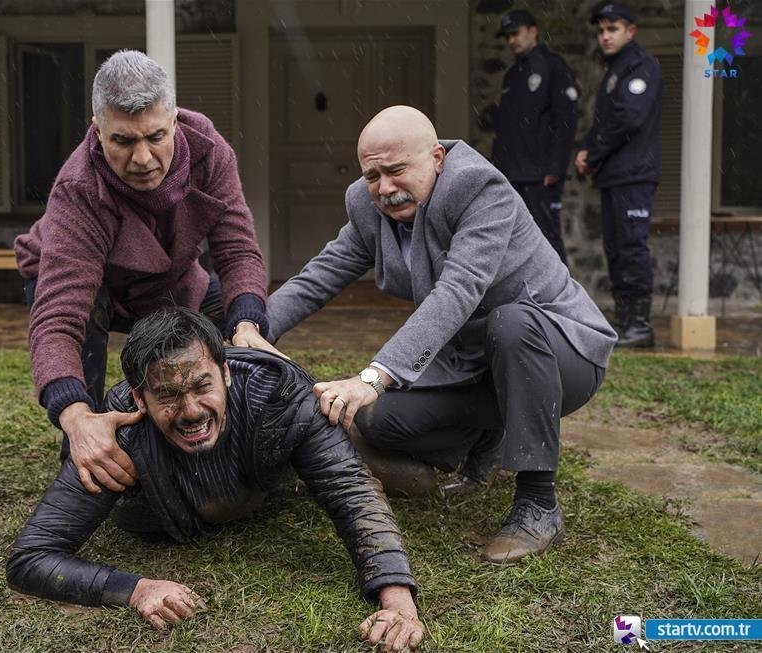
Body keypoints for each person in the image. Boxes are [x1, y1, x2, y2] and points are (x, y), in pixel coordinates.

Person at [266, 105, 617, 564]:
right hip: (476, 364)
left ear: (436, 158)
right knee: (378, 419)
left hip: (561, 353)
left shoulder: (479, 188)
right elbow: (321, 274)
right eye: (372, 175)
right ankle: (486, 441)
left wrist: (373, 377)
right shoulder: (369, 205)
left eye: (396, 170)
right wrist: (249, 326)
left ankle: (538, 502)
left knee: (511, 322)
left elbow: (458, 291)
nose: (384, 188)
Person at [6, 307, 425, 651]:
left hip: (264, 477)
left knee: (374, 471)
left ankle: (342, 449)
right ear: (138, 398)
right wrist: (135, 589)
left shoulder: (283, 396)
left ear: (225, 373)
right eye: (167, 395)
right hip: (158, 515)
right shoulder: (118, 433)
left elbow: (352, 494)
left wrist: (398, 602)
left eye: (201, 385)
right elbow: (31, 557)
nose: (191, 411)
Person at [14, 50, 278, 495]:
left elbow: (237, 251)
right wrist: (74, 415)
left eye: (155, 136)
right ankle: (84, 457)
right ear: (98, 130)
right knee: (84, 324)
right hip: (83, 283)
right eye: (123, 141)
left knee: (239, 321)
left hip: (170, 284)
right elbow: (58, 319)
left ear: (174, 120)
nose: (142, 158)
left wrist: (247, 325)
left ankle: (236, 440)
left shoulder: (210, 152)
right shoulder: (78, 189)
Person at [575, 3, 662, 348]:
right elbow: (606, 122)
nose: (605, 36)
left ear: (631, 31)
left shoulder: (641, 65)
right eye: (601, 31)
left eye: (612, 29)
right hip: (614, 175)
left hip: (634, 175)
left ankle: (640, 325)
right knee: (616, 249)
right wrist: (589, 149)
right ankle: (625, 319)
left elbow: (629, 118)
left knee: (631, 248)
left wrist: (593, 152)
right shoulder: (616, 68)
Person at [491, 9, 579, 264]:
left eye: (515, 33)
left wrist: (555, 168)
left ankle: (561, 292)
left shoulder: (553, 66)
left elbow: (566, 121)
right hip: (512, 174)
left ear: (533, 31)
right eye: (507, 36)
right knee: (514, 243)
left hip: (541, 175)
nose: (511, 41)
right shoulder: (512, 75)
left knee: (547, 241)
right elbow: (505, 130)